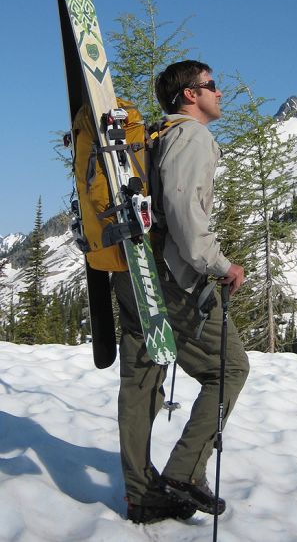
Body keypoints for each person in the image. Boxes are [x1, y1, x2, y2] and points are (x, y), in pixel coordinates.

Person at [113, 60, 250, 525]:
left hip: (133, 271)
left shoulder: (156, 136)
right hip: (170, 280)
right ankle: (184, 472)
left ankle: (141, 494)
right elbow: (188, 220)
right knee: (229, 368)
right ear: (190, 95)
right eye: (213, 85)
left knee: (141, 382)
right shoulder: (192, 137)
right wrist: (221, 265)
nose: (219, 92)